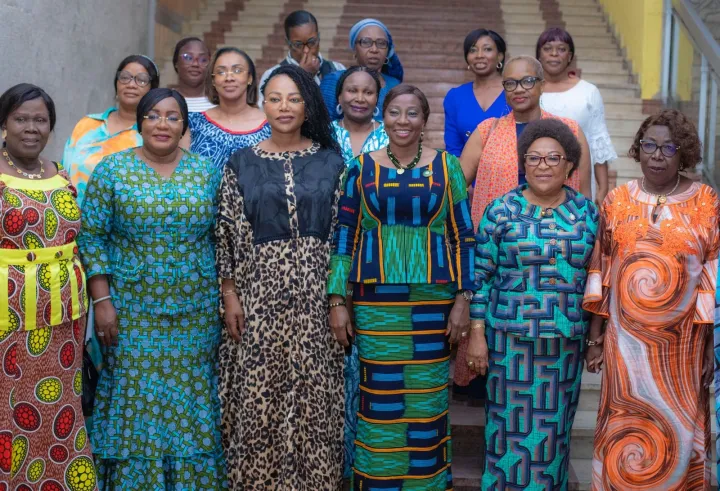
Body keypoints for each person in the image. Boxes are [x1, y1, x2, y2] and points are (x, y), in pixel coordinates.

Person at [328, 84, 475, 490]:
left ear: (425, 121)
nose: (403, 121)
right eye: (395, 112)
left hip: (433, 301)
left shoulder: (448, 168)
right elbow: (344, 235)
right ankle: (378, 481)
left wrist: (464, 298)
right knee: (381, 397)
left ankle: (424, 483)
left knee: (426, 399)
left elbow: (464, 235)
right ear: (383, 116)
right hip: (376, 303)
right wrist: (337, 297)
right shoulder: (359, 168)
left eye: (412, 113)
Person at [77, 88, 225, 489]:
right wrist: (102, 300)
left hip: (195, 315)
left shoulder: (207, 173)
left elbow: (223, 239)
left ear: (184, 126)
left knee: (190, 402)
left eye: (173, 117)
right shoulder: (112, 170)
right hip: (130, 312)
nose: (163, 124)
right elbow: (92, 236)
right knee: (135, 400)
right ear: (140, 122)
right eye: (154, 115)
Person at [215, 64, 345, 489]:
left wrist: (337, 300)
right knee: (258, 400)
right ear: (262, 104)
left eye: (294, 98)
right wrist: (230, 295)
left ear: (308, 106)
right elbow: (227, 233)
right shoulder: (241, 163)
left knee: (316, 400)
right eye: (274, 98)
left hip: (316, 301)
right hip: (258, 299)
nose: (284, 107)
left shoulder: (331, 162)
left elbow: (344, 235)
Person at [584, 109, 718, 489]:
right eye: (649, 146)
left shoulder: (706, 201)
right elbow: (603, 272)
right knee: (623, 430)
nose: (657, 155)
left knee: (677, 429)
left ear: (684, 154)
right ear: (638, 150)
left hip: (681, 348)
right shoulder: (617, 200)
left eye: (668, 148)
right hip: (625, 346)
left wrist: (709, 342)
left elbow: (712, 274)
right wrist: (596, 338)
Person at [470, 118, 598, 489]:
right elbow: (480, 278)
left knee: (552, 436)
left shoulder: (588, 215)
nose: (543, 165)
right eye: (534, 158)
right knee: (507, 432)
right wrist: (477, 334)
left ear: (570, 164)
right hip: (510, 346)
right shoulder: (500, 211)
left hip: (563, 349)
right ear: (522, 163)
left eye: (553, 158)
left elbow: (596, 281)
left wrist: (594, 338)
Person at [454, 54, 592, 391]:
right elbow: (454, 188)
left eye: (528, 81)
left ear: (542, 84)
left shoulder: (569, 131)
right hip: (502, 261)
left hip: (557, 270)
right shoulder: (488, 131)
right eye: (511, 83)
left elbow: (586, 202)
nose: (519, 89)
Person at [0, 84, 97, 488]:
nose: (31, 128)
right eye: (21, 119)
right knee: (11, 407)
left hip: (64, 323)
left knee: (59, 404)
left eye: (40, 120)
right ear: (4, 124)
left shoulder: (58, 173)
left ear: (51, 127)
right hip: (10, 320)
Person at [328, 65, 389, 479]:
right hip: (322, 253)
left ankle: (363, 463)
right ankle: (333, 460)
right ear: (339, 93)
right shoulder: (320, 133)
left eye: (368, 91)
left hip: (377, 259)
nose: (360, 97)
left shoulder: (394, 133)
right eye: (352, 89)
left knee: (367, 365)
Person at [62, 54, 159, 204]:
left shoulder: (152, 133)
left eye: (141, 80)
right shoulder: (87, 124)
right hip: (72, 219)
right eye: (125, 77)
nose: (131, 85)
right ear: (116, 83)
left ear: (152, 88)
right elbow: (63, 172)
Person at [538, 27, 616, 205]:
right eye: (548, 49)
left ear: (570, 56)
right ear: (539, 56)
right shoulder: (530, 92)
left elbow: (597, 139)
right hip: (538, 177)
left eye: (561, 49)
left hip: (580, 179)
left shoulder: (588, 92)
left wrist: (603, 188)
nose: (554, 54)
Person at [185, 47, 270, 169]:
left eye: (237, 70)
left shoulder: (271, 126)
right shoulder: (194, 123)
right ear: (213, 80)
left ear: (249, 78)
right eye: (221, 72)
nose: (229, 78)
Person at [443, 29, 510, 157]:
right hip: (466, 174)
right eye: (473, 50)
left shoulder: (514, 91)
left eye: (487, 49)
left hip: (510, 173)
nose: (479, 55)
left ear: (500, 56)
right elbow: (453, 149)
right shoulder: (455, 97)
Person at [320, 18, 403, 121]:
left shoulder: (394, 85)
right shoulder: (335, 80)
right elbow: (324, 126)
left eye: (381, 43)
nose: (374, 49)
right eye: (366, 42)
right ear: (354, 49)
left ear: (388, 50)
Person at [258, 10, 345, 105]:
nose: (306, 50)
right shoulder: (271, 75)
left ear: (319, 38)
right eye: (298, 45)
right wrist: (302, 77)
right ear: (288, 43)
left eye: (312, 42)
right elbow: (266, 113)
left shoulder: (337, 69)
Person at [332, 66, 389, 161]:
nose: (360, 99)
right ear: (339, 96)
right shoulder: (325, 134)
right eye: (352, 91)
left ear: (376, 99)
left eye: (368, 92)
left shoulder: (389, 135)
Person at [172, 36, 216, 112]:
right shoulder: (163, 100)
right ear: (176, 63)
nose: (195, 64)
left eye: (203, 59)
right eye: (188, 58)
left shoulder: (221, 102)